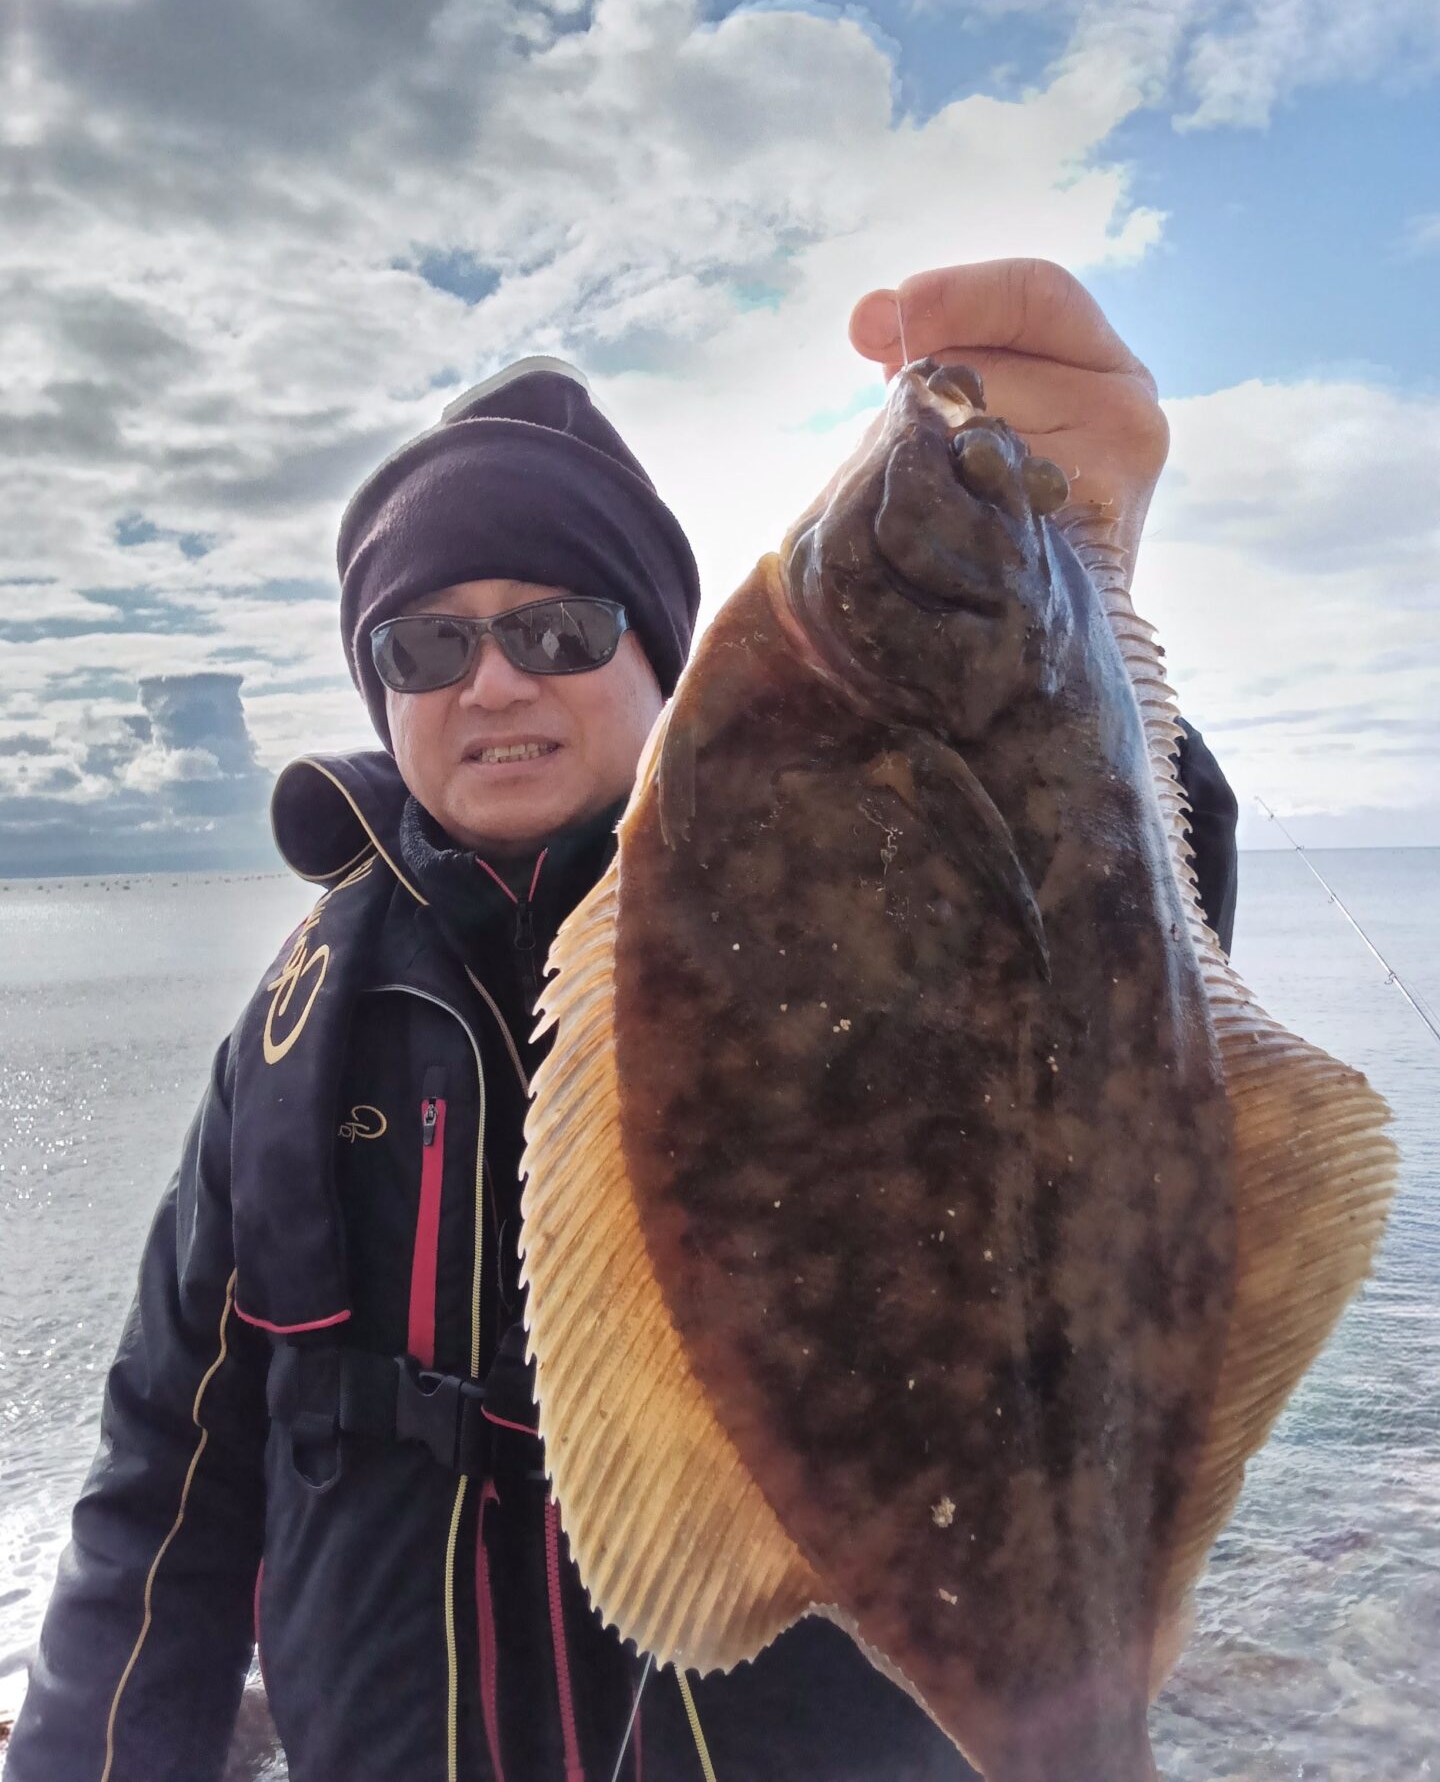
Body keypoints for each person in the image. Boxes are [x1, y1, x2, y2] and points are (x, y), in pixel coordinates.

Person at [8, 260, 1239, 1782]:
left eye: (560, 629)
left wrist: (1088, 561)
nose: (491, 683)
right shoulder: (294, 1034)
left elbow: (1113, 967)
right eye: (424, 646)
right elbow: (161, 1484)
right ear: (379, 690)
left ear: (666, 661)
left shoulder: (852, 889)